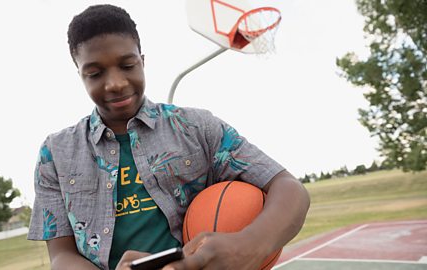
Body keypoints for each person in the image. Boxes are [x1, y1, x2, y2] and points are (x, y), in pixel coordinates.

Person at [27, 4, 310, 270]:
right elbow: (61, 254)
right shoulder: (56, 153)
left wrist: (249, 245)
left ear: (142, 61)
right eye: (95, 73)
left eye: (127, 65)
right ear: (80, 74)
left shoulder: (197, 128)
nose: (115, 83)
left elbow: (288, 187)